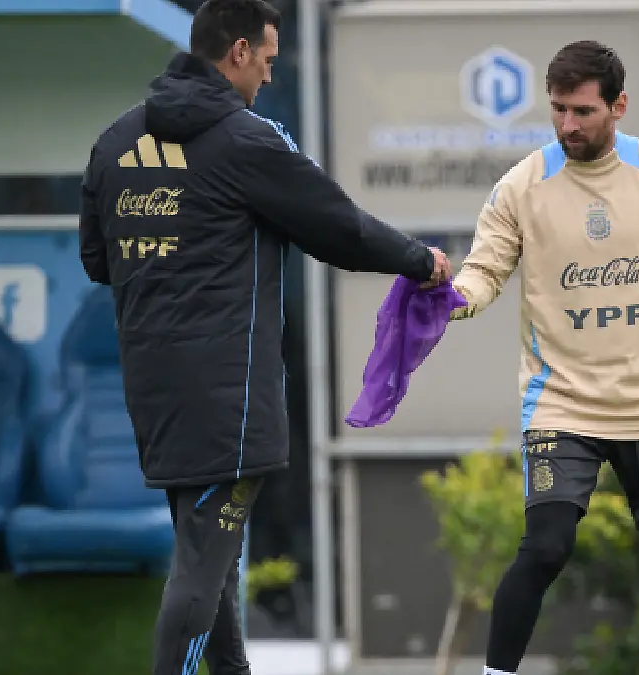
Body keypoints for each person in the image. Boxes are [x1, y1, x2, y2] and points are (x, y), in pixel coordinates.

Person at [77, 1, 450, 674]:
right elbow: (340, 227)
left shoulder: (113, 144)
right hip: (230, 397)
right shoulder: (246, 139)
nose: (270, 79)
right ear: (239, 53)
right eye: (269, 63)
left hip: (154, 393)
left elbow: (97, 260)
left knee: (213, 567)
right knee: (200, 569)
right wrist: (421, 261)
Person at [448, 40, 639, 674]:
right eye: (557, 110)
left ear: (619, 105)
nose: (567, 125)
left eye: (581, 111)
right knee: (546, 547)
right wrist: (447, 300)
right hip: (561, 402)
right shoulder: (521, 186)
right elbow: (484, 272)